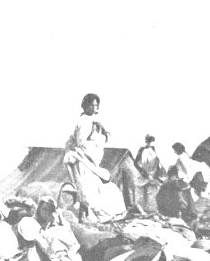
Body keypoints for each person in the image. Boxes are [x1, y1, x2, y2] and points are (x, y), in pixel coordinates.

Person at [63, 93, 126, 222]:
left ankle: (87, 216)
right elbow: (80, 143)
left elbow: (102, 140)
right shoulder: (84, 121)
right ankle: (86, 217)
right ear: (85, 105)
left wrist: (99, 129)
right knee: (87, 191)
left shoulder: (92, 121)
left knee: (95, 190)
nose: (93, 107)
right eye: (91, 105)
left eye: (96, 105)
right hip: (83, 160)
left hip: (90, 162)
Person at [134, 134, 165, 212]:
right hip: (142, 176)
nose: (149, 143)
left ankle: (151, 213)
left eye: (151, 141)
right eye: (148, 141)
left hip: (152, 177)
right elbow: (136, 163)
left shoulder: (155, 151)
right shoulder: (142, 150)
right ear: (146, 141)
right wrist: (144, 173)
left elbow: (158, 164)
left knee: (152, 197)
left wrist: (156, 176)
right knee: (140, 197)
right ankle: (140, 213)